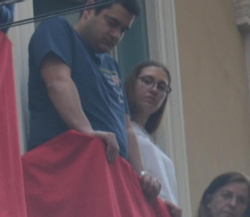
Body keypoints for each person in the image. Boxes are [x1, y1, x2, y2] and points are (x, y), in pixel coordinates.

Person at [28, 1, 161, 200]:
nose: (116, 35)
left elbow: (127, 128)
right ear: (89, 8)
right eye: (112, 23)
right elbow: (58, 83)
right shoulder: (57, 29)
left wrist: (141, 174)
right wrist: (88, 132)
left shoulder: (112, 65)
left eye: (123, 30)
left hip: (105, 183)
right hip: (63, 171)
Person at [126, 61, 181, 213]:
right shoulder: (122, 129)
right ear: (133, 82)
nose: (154, 90)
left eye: (162, 87)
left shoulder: (150, 141)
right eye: (147, 81)